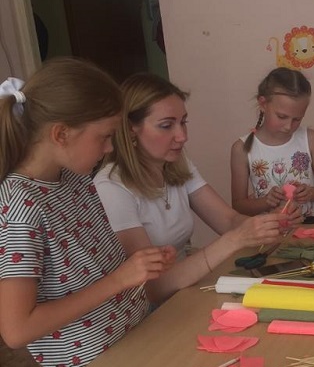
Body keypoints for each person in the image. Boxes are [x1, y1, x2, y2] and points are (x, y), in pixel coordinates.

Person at [0, 58, 199, 367]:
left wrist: (143, 264)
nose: (110, 149)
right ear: (61, 134)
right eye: (104, 137)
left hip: (128, 342)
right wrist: (120, 279)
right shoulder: (20, 207)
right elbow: (16, 330)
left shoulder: (74, 179)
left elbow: (93, 263)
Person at [95, 73, 295, 302]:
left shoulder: (177, 164)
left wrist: (269, 224)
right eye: (166, 126)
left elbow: (228, 220)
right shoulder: (111, 187)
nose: (182, 136)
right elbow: (152, 288)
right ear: (131, 128)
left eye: (183, 122)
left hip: (183, 292)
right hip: (149, 309)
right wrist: (235, 239)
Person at [230, 67, 314, 218]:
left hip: (312, 227)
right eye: (282, 117)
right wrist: (265, 201)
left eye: (297, 119)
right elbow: (239, 205)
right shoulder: (241, 149)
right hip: (271, 229)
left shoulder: (310, 138)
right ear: (263, 104)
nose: (288, 126)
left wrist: (311, 193)